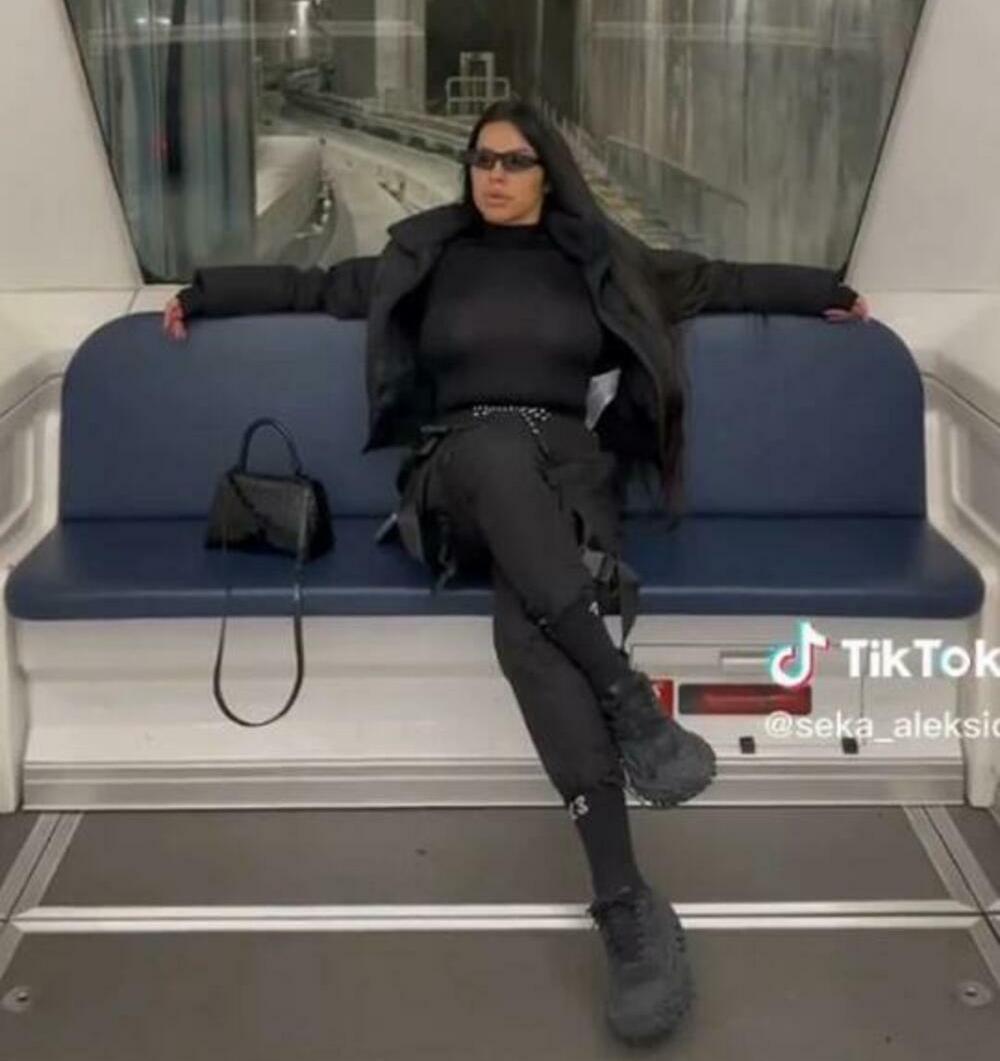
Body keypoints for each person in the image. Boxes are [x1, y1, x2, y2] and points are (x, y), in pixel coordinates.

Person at [163, 98, 869, 1045]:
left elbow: (720, 281)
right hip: (455, 479)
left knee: (528, 631)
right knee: (497, 451)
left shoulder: (601, 259)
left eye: (513, 162)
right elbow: (313, 288)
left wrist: (826, 290)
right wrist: (203, 293)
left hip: (567, 484)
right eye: (481, 160)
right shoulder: (427, 254)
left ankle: (624, 902)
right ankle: (623, 693)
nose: (492, 176)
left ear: (548, 174)